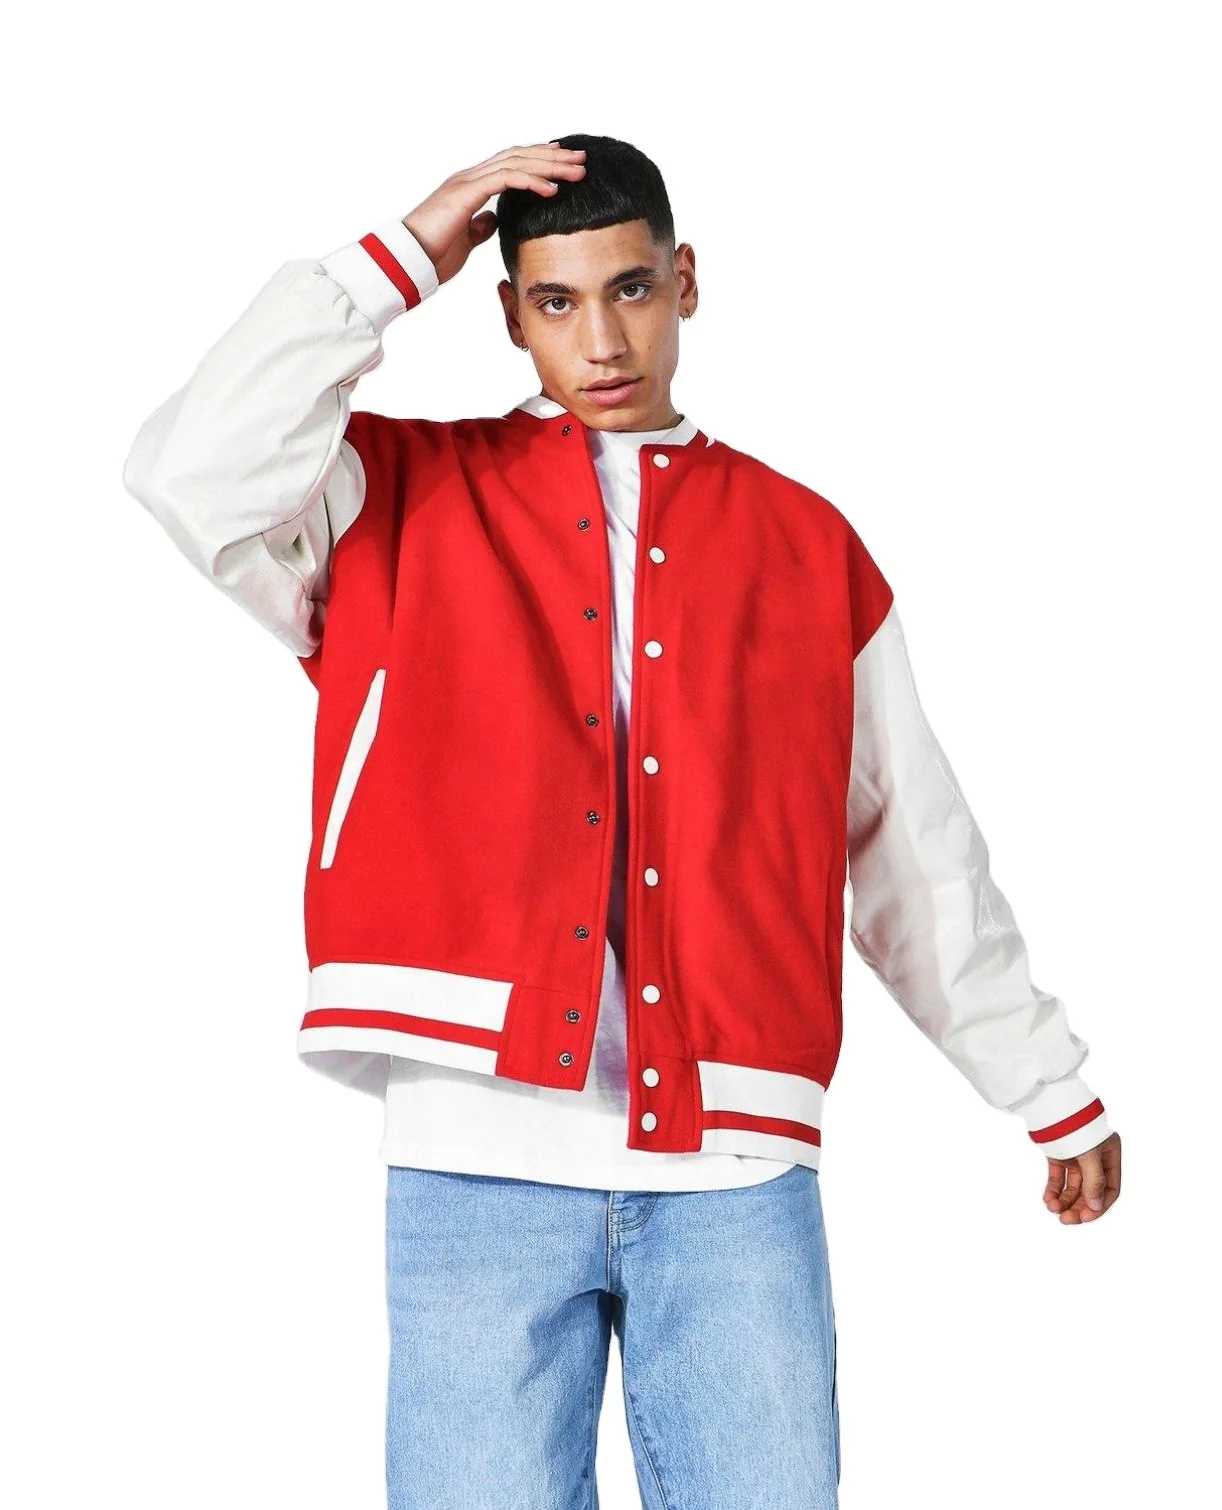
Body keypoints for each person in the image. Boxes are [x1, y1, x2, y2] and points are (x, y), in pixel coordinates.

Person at [122, 134, 1123, 1508]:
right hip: (475, 1148)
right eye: (555, 301)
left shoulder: (806, 544)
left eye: (631, 290)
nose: (600, 340)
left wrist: (1046, 1085)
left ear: (685, 281)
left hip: (733, 1156)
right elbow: (188, 470)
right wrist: (398, 255)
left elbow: (912, 848)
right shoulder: (383, 497)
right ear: (508, 312)